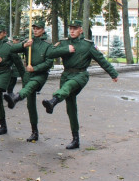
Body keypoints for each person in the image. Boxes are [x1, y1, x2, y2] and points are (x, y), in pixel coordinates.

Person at [43, 20, 118, 149]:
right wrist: (66, 49)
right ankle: (75, 139)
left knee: (69, 86)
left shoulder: (87, 45)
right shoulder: (64, 43)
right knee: (71, 108)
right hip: (66, 74)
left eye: (75, 28)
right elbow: (49, 53)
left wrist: (113, 73)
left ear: (81, 30)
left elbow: (101, 59)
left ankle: (54, 100)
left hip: (80, 75)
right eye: (70, 28)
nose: (72, 31)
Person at [4, 21, 53, 142]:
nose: (35, 30)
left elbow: (49, 62)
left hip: (40, 75)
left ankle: (16, 98)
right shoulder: (28, 41)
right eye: (34, 28)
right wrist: (24, 46)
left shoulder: (47, 44)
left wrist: (35, 68)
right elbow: (12, 50)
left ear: (43, 30)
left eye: (38, 28)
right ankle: (34, 132)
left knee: (30, 87)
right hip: (28, 74)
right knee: (30, 105)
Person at [0, 24, 26, 135]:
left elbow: (18, 63)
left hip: (4, 73)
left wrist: (25, 79)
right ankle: (3, 126)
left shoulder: (9, 46)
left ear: (5, 33)